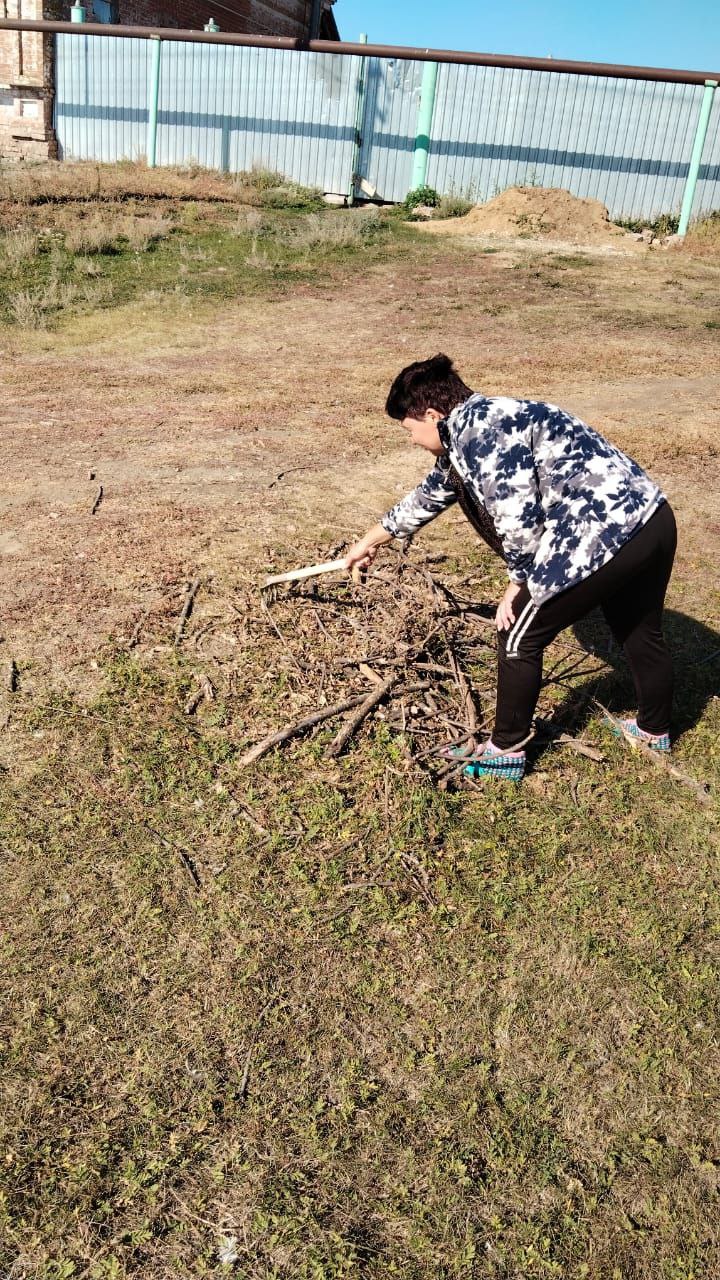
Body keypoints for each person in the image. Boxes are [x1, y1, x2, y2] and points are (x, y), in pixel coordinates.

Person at [344, 354, 676, 782]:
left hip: (599, 536)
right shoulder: (488, 418)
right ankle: (654, 730)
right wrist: (367, 543)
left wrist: (516, 585)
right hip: (651, 520)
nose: (411, 440)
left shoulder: (480, 435)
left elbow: (519, 521)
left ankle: (505, 750)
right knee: (638, 628)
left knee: (516, 634)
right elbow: (429, 495)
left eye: (409, 430)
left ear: (431, 414)